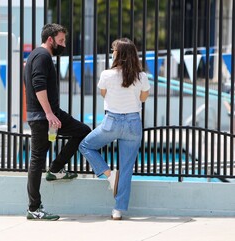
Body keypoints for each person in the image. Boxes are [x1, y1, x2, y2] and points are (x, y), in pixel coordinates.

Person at [24, 23, 91, 221]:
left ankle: (55, 169)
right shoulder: (43, 56)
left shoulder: (35, 56)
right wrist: (48, 113)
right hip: (45, 116)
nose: (63, 45)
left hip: (45, 115)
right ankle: (34, 207)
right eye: (61, 41)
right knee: (37, 160)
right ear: (50, 39)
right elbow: (37, 84)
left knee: (81, 131)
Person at [79, 38, 150, 220]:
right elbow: (143, 99)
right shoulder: (142, 76)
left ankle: (110, 175)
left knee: (85, 146)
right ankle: (118, 210)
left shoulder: (106, 75)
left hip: (112, 122)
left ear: (118, 54)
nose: (112, 53)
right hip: (133, 124)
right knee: (126, 168)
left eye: (113, 50)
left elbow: (103, 93)